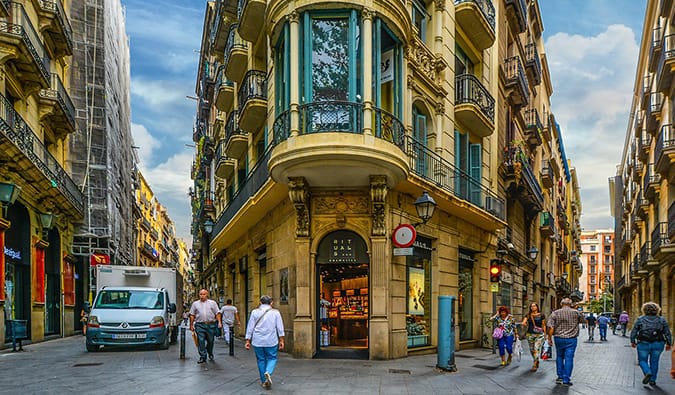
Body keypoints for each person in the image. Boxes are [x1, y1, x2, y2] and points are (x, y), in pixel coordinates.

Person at [246, 295, 285, 390]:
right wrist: (282, 340)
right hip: (271, 340)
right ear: (271, 303)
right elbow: (280, 327)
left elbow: (250, 326)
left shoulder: (255, 312)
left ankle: (264, 381)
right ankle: (268, 372)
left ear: (260, 302)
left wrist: (247, 340)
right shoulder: (276, 313)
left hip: (257, 340)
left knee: (261, 360)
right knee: (272, 357)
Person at [630, 301, 673, 387]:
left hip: (643, 343)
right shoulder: (661, 320)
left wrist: (632, 341)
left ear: (644, 310)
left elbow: (634, 331)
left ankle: (647, 372)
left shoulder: (640, 319)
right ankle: (652, 380)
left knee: (642, 360)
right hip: (658, 343)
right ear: (657, 310)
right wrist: (669, 343)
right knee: (654, 361)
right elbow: (667, 332)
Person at [547, 297, 585, 386]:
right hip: (571, 339)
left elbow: (551, 327)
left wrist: (549, 338)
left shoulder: (555, 313)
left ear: (561, 304)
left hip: (558, 338)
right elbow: (583, 321)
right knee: (569, 358)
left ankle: (560, 377)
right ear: (571, 304)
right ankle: (566, 380)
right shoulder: (576, 313)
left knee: (559, 357)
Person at [189, 289, 222, 364]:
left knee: (210, 341)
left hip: (211, 325)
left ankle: (210, 352)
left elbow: (217, 313)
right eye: (200, 294)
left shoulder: (212, 303)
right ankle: (203, 356)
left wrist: (219, 322)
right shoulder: (195, 304)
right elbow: (192, 315)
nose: (202, 296)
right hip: (199, 325)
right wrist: (191, 325)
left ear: (207, 295)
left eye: (204, 294)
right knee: (201, 341)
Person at [521, 302, 546, 372]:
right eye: (531, 306)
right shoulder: (528, 315)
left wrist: (545, 334)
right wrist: (524, 324)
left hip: (539, 335)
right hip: (530, 334)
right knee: (531, 350)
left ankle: (534, 364)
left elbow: (543, 325)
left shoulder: (541, 315)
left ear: (537, 307)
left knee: (536, 349)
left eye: (534, 306)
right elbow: (523, 322)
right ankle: (536, 360)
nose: (533, 307)